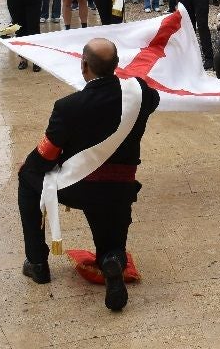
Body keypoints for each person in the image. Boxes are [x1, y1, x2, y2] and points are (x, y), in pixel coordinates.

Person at [17, 38, 161, 311]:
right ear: (117, 66)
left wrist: (28, 164)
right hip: (120, 189)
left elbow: (47, 156)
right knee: (112, 244)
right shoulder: (139, 94)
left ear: (84, 66)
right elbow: (152, 99)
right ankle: (113, 261)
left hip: (79, 187)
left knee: (27, 178)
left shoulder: (68, 106)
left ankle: (37, 262)